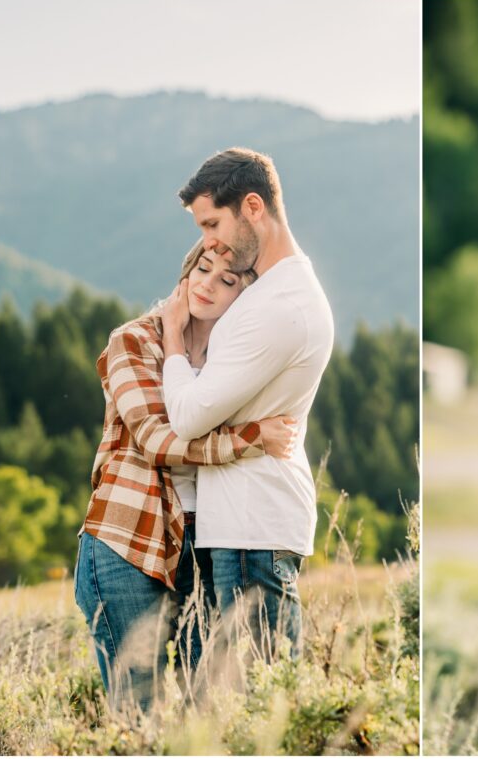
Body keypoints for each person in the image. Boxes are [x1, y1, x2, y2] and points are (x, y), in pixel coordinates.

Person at [74, 238, 296, 709]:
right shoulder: (133, 341)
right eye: (202, 268)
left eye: (227, 280)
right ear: (185, 271)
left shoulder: (233, 359)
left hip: (204, 546)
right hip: (128, 542)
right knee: (139, 712)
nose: (208, 285)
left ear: (246, 296)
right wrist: (248, 439)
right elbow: (157, 441)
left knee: (210, 704)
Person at [161, 147, 334, 661]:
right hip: (243, 524)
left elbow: (189, 417)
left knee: (261, 700)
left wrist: (172, 339)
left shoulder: (281, 307)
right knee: (245, 697)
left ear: (253, 207)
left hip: (251, 529)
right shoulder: (270, 292)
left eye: (212, 223)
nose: (206, 241)